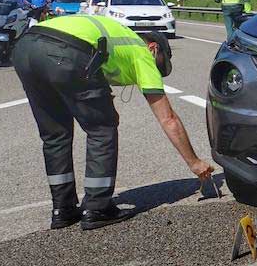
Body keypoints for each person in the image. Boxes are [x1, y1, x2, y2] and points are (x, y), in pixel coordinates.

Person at [12, 14, 214, 230]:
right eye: (159, 65)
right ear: (154, 48)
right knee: (102, 129)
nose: (155, 71)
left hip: (25, 49)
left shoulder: (118, 40)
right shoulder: (141, 52)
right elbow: (168, 118)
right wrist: (194, 162)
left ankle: (63, 209)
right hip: (66, 51)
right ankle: (97, 208)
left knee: (55, 134)